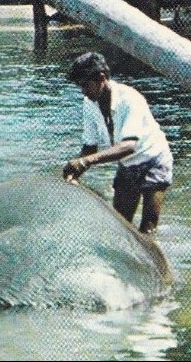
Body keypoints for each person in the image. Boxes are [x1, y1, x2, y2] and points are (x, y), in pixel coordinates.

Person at [62, 52, 173, 234]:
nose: (83, 91)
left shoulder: (130, 99)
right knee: (120, 226)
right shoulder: (89, 103)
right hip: (128, 163)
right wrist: (76, 172)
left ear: (101, 78)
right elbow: (90, 147)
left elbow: (129, 146)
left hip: (154, 159)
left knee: (148, 227)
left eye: (85, 85)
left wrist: (85, 161)